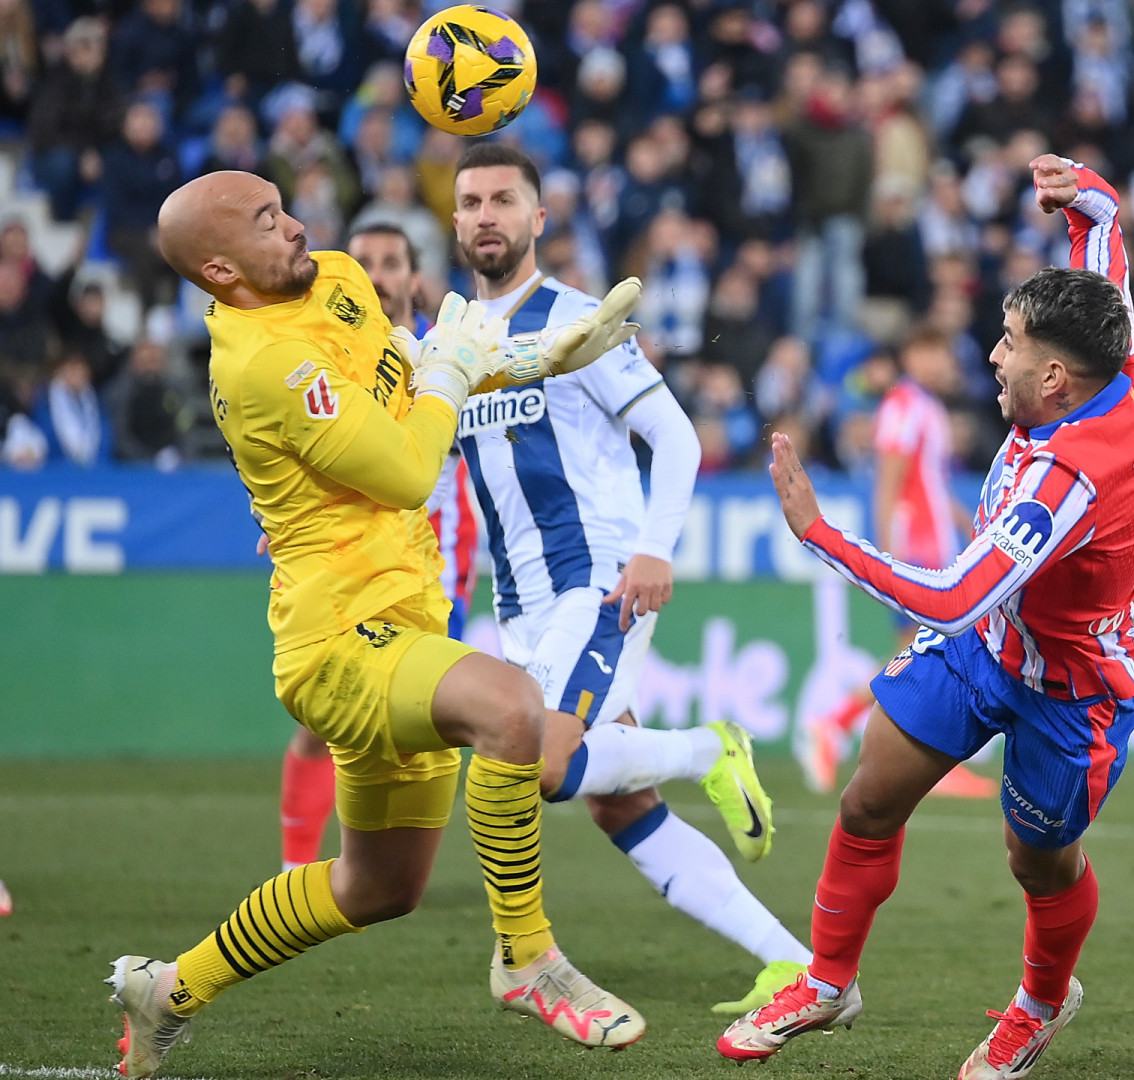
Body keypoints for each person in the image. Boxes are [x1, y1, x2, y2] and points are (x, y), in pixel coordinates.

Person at [113, 170, 650, 1078]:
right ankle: (529, 958)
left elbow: (413, 394)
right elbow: (405, 470)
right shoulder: (262, 365)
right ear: (218, 269)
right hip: (337, 639)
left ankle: (166, 990)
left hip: (406, 615)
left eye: (283, 206)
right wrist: (451, 366)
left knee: (378, 888)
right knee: (514, 707)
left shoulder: (335, 277)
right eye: (266, 222)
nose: (296, 227)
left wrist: (531, 359)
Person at [718, 154, 1134, 1080]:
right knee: (869, 796)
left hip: (1070, 688)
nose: (991, 355)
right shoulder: (1122, 354)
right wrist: (1078, 191)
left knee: (1037, 862)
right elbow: (1107, 240)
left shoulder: (1064, 479)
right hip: (987, 652)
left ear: (1054, 382)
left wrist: (820, 534)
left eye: (1008, 344)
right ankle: (829, 979)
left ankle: (1041, 1003)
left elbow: (956, 595)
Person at [445, 143, 808, 1015]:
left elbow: (677, 438)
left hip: (598, 578)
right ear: (454, 221)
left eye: (503, 200)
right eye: (470, 202)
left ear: (539, 219)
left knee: (540, 763)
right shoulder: (450, 346)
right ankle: (791, 962)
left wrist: (654, 549)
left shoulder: (582, 320)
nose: (486, 215)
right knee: (619, 804)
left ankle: (708, 749)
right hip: (523, 603)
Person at [277, 223, 482, 873]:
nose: (377, 273)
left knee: (424, 721)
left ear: (413, 279)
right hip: (346, 556)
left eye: (390, 262)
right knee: (324, 721)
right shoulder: (324, 357)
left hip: (434, 561)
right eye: (362, 261)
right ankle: (301, 867)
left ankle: (381, 867)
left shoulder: (443, 350)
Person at [795, 325, 997, 800]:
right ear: (912, 354)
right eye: (934, 352)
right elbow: (888, 483)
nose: (945, 364)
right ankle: (833, 723)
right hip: (915, 546)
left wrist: (969, 524)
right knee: (924, 655)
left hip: (936, 543)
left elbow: (930, 482)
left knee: (930, 655)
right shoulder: (904, 406)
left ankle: (857, 732)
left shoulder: (924, 406)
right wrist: (886, 557)